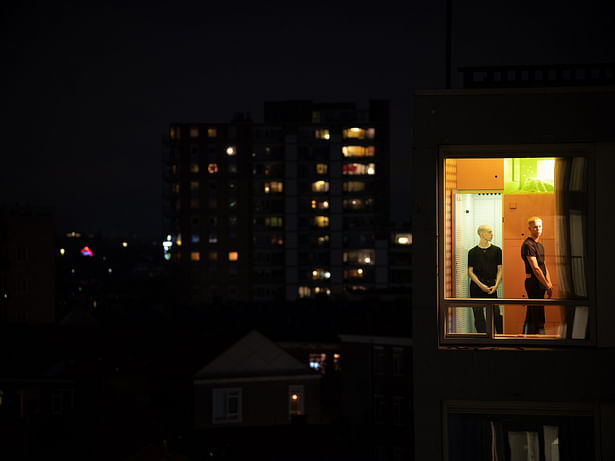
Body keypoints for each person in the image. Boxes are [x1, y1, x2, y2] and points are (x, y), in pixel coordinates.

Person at [468, 224, 503, 333]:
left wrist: (496, 285)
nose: (492, 234)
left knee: (496, 314)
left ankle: (498, 338)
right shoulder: (472, 252)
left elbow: (500, 269)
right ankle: (481, 340)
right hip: (477, 287)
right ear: (482, 234)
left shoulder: (497, 250)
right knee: (478, 317)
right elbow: (470, 272)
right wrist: (481, 285)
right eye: (489, 232)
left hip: (492, 286)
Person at [521, 216, 552, 334]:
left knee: (536, 312)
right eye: (535, 227)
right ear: (529, 228)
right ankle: (534, 337)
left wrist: (548, 284)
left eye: (540, 226)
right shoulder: (528, 245)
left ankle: (531, 337)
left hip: (540, 283)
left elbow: (543, 266)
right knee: (535, 312)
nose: (538, 229)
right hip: (533, 283)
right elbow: (536, 268)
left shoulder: (540, 245)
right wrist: (547, 285)